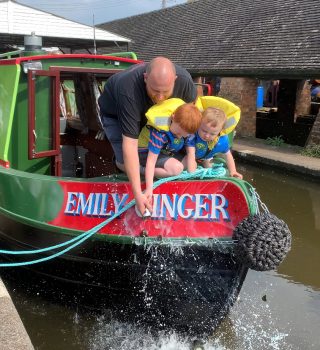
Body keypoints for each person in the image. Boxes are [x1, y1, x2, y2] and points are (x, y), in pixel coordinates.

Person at [98, 57, 197, 215]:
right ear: (145, 78)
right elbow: (130, 144)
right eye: (155, 91)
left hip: (157, 115)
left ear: (175, 81)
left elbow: (189, 121)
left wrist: (192, 157)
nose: (160, 97)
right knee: (125, 160)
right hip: (115, 114)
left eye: (165, 92)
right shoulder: (128, 88)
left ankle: (153, 164)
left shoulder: (185, 84)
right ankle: (121, 164)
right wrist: (138, 194)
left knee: (177, 156)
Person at [138, 100, 202, 200]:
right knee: (177, 168)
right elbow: (151, 161)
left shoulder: (185, 129)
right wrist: (149, 189)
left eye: (183, 135)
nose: (179, 136)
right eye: (178, 132)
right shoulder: (160, 133)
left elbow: (190, 155)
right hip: (144, 153)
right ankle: (140, 170)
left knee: (190, 162)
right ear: (173, 117)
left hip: (164, 152)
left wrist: (192, 175)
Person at [186, 106, 243, 179]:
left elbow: (228, 155)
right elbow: (190, 154)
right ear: (199, 124)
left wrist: (233, 171)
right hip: (189, 155)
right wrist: (192, 174)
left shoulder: (222, 140)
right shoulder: (193, 134)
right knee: (190, 165)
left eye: (212, 134)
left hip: (206, 158)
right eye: (204, 131)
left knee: (209, 168)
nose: (207, 136)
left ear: (220, 131)